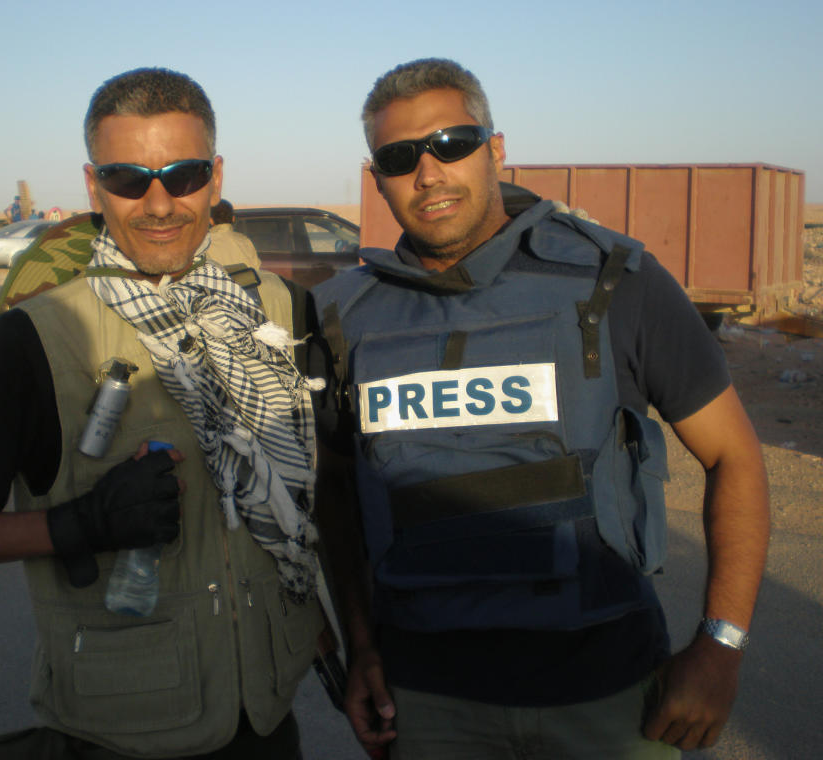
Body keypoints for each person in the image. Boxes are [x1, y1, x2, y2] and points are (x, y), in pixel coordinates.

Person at [312, 58, 769, 760]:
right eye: (400, 158)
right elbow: (338, 495)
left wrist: (722, 645)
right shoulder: (348, 315)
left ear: (495, 149)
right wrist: (361, 645)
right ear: (377, 179)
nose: (428, 173)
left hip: (609, 698)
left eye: (452, 144)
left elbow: (733, 455)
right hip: (429, 705)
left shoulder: (615, 281)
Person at [0, 67, 327, 760]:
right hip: (121, 730)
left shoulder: (278, 311)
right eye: (128, 179)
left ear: (214, 177)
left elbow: (321, 501)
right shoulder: (39, 338)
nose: (158, 203)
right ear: (93, 187)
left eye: (183, 176)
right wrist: (77, 524)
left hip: (266, 717)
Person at [208, 199, 262, 268]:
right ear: (233, 218)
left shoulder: (203, 244)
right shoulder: (244, 241)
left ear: (211, 220)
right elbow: (256, 267)